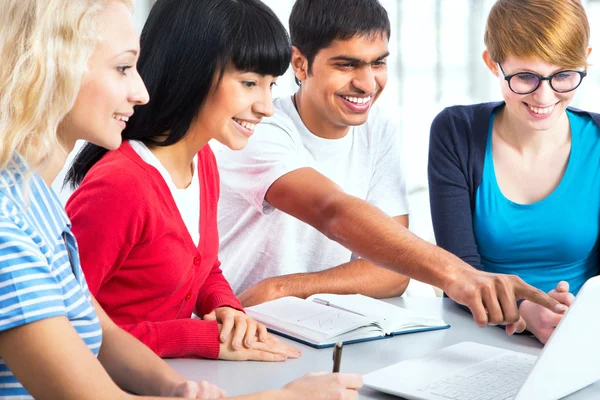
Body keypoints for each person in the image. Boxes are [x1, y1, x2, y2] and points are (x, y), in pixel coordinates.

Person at [0, 0, 363, 398]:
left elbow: (94, 323)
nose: (141, 91)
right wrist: (288, 395)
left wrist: (183, 382)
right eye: (123, 68)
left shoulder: (38, 206)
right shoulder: (22, 226)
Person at [213, 0, 565, 333]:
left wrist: (285, 287)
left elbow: (391, 272)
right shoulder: (257, 127)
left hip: (322, 330)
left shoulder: (376, 128)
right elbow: (332, 211)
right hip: (238, 326)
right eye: (346, 64)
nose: (367, 84)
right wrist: (457, 274)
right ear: (301, 64)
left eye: (378, 63)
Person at [64, 0, 299, 361]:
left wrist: (226, 306)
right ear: (193, 71)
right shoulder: (119, 186)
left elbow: (203, 266)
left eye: (272, 85)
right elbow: (64, 330)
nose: (266, 106)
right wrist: (194, 336)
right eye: (250, 83)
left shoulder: (203, 161)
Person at [428, 0, 599, 344]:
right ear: (493, 63)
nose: (544, 96)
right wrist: (525, 310)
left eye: (564, 75)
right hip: (478, 336)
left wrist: (576, 317)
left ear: (585, 60)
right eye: (525, 77)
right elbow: (459, 271)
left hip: (581, 339)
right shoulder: (456, 132)